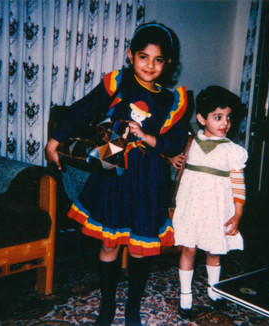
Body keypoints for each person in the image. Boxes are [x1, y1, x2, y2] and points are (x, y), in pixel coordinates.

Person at [45, 22, 189, 326]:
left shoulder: (172, 99)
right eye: (143, 57)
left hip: (147, 179)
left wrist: (147, 138)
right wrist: (54, 140)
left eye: (158, 59)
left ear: (168, 63)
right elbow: (82, 109)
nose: (150, 65)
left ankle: (133, 308)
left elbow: (174, 143)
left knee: (139, 247)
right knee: (109, 242)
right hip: (112, 174)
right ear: (130, 55)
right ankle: (107, 307)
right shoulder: (118, 83)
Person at [171, 86, 248, 319]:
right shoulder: (190, 142)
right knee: (189, 249)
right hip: (191, 207)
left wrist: (238, 213)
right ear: (201, 118)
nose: (225, 123)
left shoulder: (233, 151)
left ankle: (214, 291)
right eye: (218, 117)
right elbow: (177, 164)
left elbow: (238, 184)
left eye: (228, 118)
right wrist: (173, 159)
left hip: (217, 209)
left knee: (214, 251)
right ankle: (185, 297)